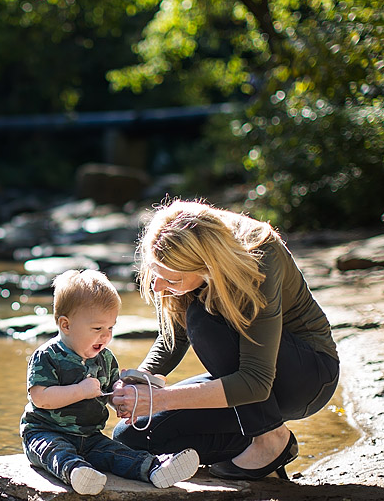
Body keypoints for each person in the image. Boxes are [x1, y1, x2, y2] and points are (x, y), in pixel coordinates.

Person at [110, 199, 340, 480]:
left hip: (306, 376)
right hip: (251, 386)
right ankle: (260, 446)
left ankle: (269, 440)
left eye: (170, 280)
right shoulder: (169, 249)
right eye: (155, 273)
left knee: (203, 320)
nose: (157, 287)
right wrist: (136, 384)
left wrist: (160, 399)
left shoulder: (259, 254)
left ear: (207, 267)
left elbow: (256, 381)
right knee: (130, 439)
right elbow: (172, 340)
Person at [20, 269, 200, 495]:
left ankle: (155, 468)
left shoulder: (105, 358)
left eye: (110, 328)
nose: (105, 336)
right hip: (46, 431)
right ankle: (76, 471)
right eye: (97, 329)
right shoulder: (47, 356)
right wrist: (80, 391)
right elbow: (41, 398)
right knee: (55, 451)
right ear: (66, 325)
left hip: (90, 436)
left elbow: (108, 393)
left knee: (116, 452)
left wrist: (120, 399)